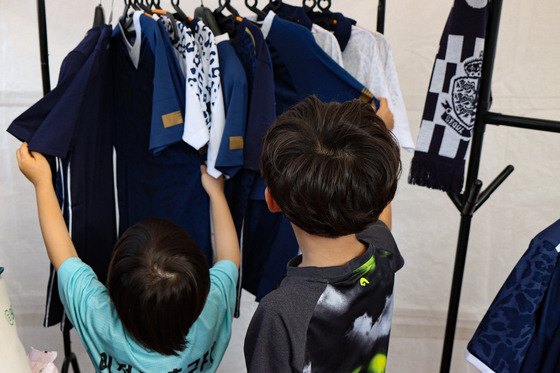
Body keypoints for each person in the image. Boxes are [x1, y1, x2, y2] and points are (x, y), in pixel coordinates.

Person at [16, 142, 240, 373]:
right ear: (201, 289)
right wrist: (217, 194)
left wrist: (42, 182)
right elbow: (230, 259)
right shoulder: (213, 307)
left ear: (112, 285)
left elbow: (62, 254)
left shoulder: (99, 315)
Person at [244, 96, 403, 373]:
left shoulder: (279, 313)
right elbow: (380, 211)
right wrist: (378, 132)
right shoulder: (381, 254)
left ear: (271, 201)